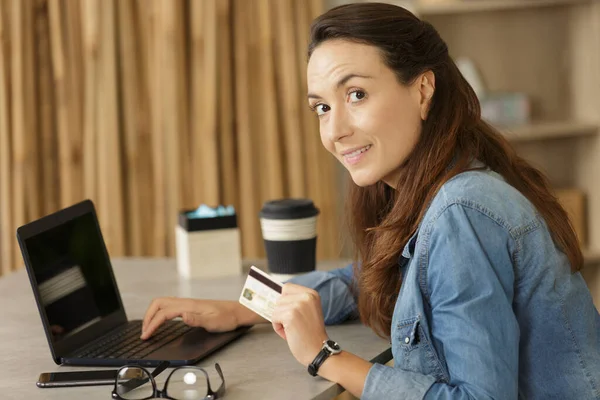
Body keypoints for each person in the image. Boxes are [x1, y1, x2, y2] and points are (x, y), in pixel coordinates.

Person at [140, 3, 600, 399]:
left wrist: (323, 356)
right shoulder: (442, 184)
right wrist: (247, 308)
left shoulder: (462, 211)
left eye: (356, 94)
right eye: (321, 106)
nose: (335, 129)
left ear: (422, 90)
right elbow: (364, 278)